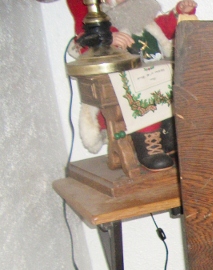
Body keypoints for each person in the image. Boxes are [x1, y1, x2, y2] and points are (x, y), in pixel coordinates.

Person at [67, 0, 197, 170]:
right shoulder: (111, 28)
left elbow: (168, 28)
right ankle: (148, 146)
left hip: (160, 76)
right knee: (145, 95)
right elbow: (86, 46)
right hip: (135, 83)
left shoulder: (149, 25)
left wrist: (180, 12)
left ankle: (171, 139)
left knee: (180, 89)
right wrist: (106, 39)